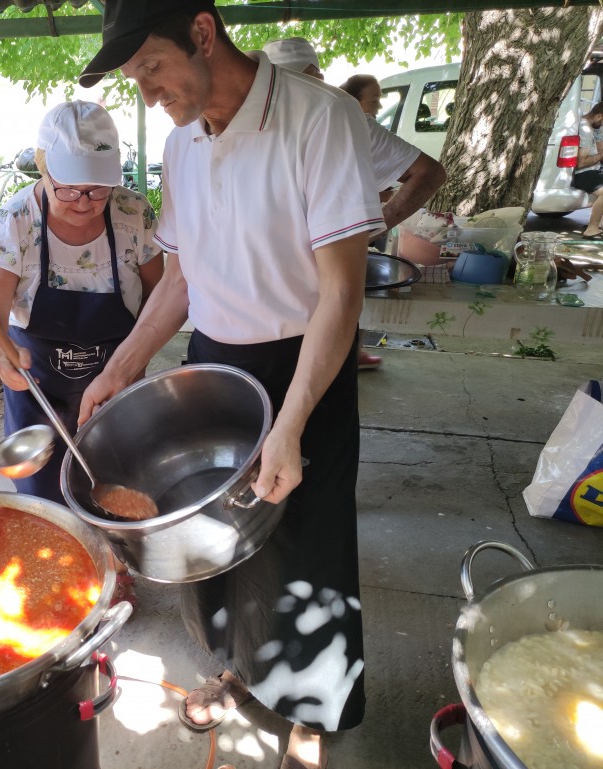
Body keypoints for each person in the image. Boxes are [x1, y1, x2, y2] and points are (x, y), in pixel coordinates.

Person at [78, 4, 384, 767]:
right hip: (216, 363)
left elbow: (341, 292)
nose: (147, 92)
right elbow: (179, 279)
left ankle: (310, 713)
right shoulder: (182, 143)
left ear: (203, 33)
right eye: (134, 78)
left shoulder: (321, 119)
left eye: (151, 66)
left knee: (307, 541)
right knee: (213, 541)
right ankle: (240, 671)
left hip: (305, 363)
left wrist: (291, 420)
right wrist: (121, 366)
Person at [0, 100, 163, 505]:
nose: (84, 201)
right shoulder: (14, 222)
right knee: (46, 510)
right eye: (69, 188)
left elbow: (159, 299)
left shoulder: (133, 213)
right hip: (39, 400)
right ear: (44, 169)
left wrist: (133, 366)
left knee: (121, 502)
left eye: (97, 188)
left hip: (117, 389)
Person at [264, 37, 446, 370]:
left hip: (323, 279)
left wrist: (375, 226)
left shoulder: (349, 123)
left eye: (295, 82)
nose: (284, 95)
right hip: (267, 293)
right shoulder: (252, 127)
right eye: (276, 85)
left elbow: (428, 173)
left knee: (325, 361)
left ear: (317, 78)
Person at [573, 102, 603, 239]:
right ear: (599, 116)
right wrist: (601, 155)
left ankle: (598, 224)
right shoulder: (585, 130)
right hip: (584, 174)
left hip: (593, 170)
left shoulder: (588, 126)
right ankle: (591, 229)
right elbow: (581, 163)